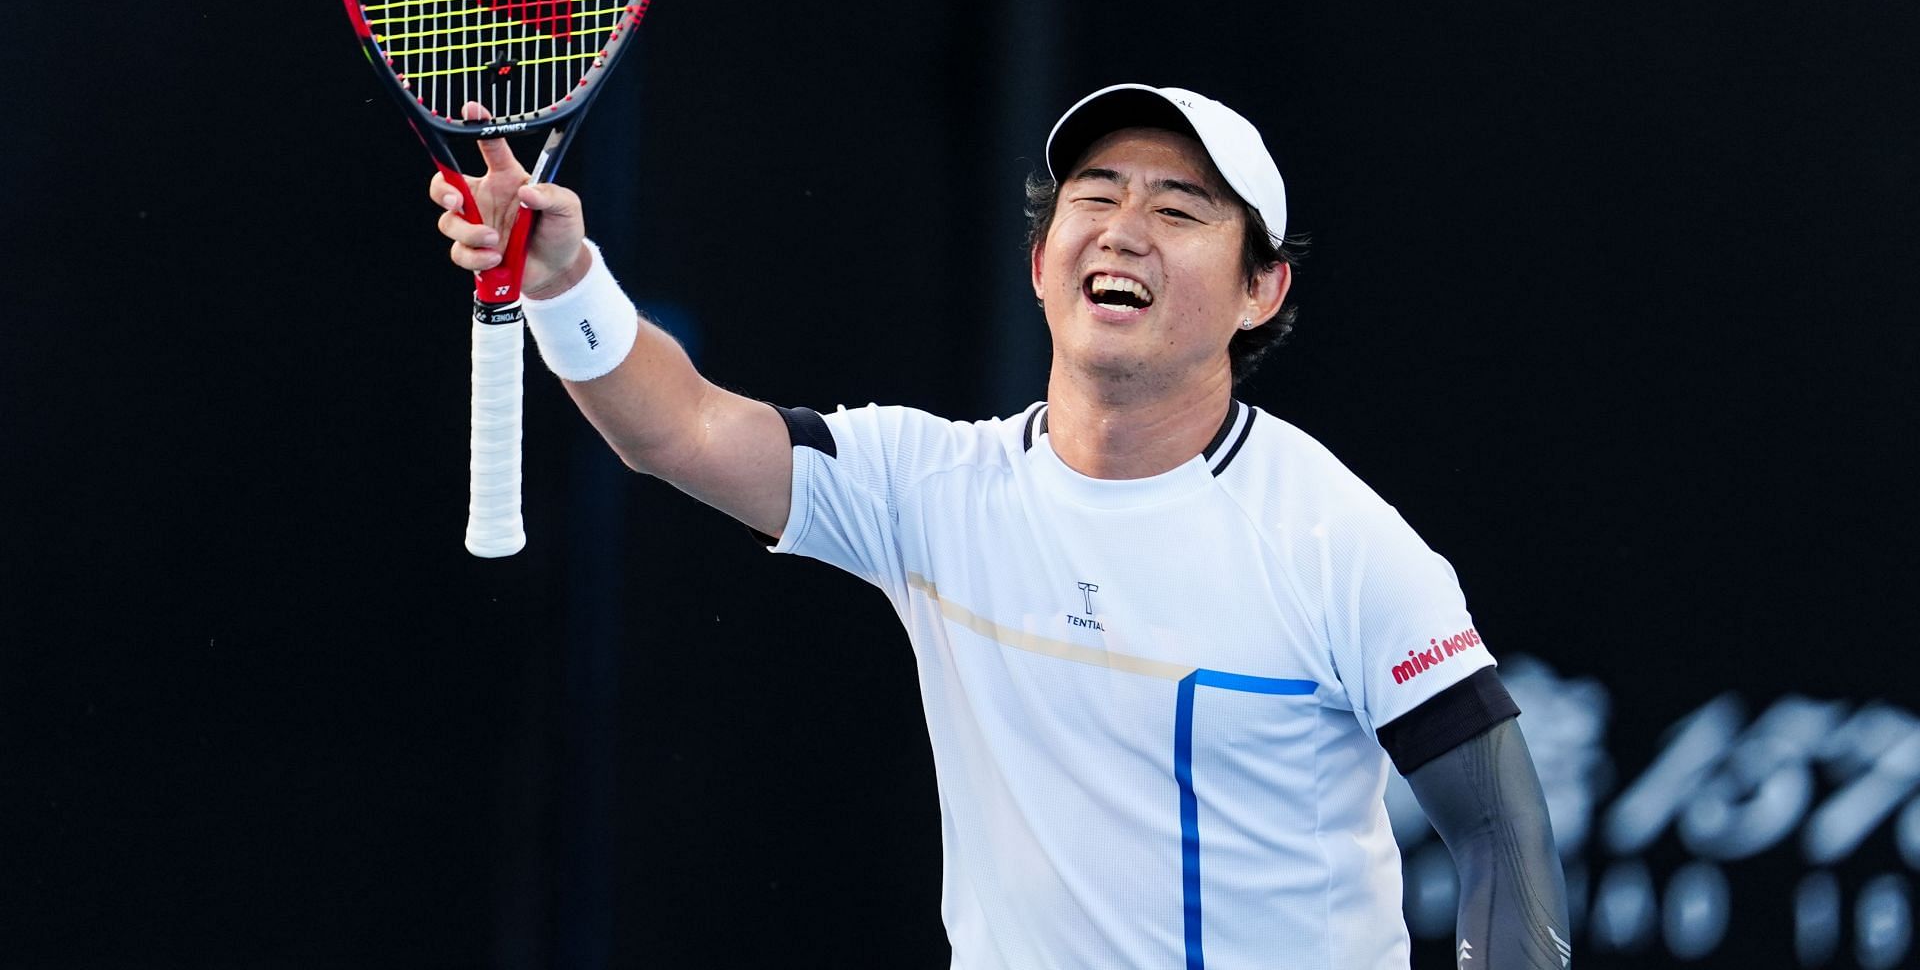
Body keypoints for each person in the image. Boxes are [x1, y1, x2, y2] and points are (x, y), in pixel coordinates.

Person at [435, 83, 1572, 969]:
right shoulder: (933, 486)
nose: (1124, 229)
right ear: (1040, 262)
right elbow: (674, 428)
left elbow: (1502, 833)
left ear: (1259, 291)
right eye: (1095, 197)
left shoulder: (1341, 541)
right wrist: (564, 279)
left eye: (1179, 210)